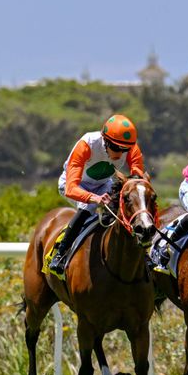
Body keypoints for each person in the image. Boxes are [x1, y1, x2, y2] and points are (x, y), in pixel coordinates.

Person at [49, 114, 146, 275]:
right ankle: (60, 253)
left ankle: (141, 253)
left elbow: (137, 178)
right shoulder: (86, 145)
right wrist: (93, 197)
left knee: (127, 206)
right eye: (116, 148)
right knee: (89, 207)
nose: (121, 154)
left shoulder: (129, 146)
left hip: (103, 184)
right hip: (75, 184)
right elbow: (71, 188)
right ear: (105, 140)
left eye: (125, 150)